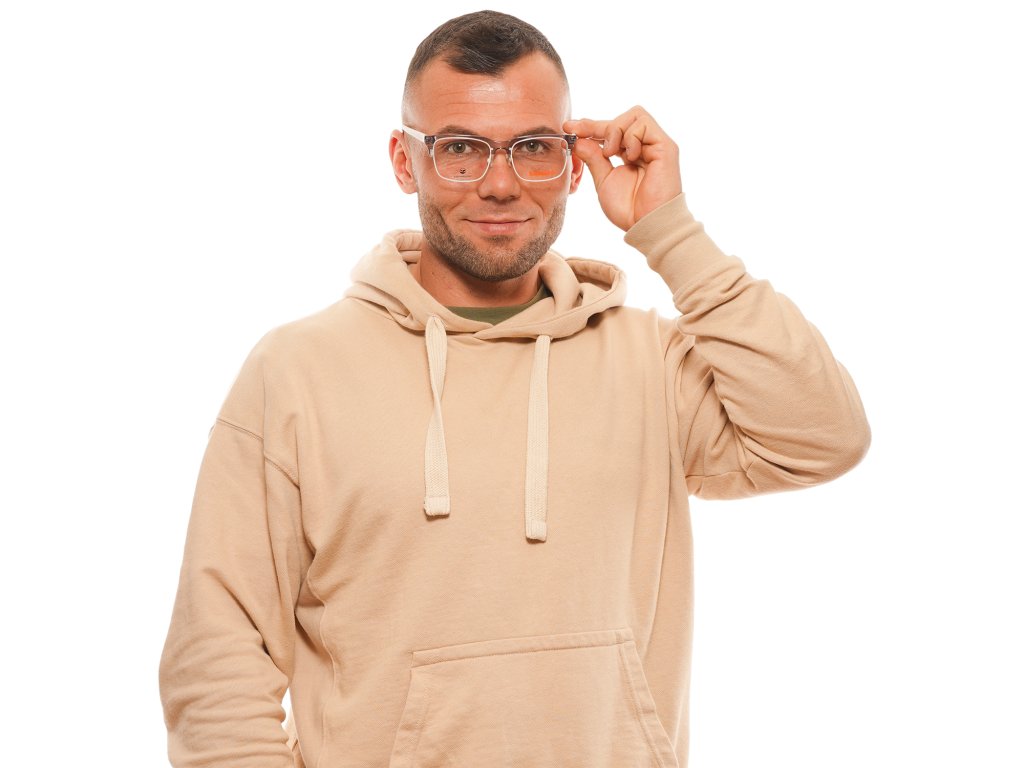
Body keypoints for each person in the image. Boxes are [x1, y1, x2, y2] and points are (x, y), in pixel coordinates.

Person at [158, 10, 870, 768]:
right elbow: (218, 663)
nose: (500, 185)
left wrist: (670, 231)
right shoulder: (297, 372)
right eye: (461, 149)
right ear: (405, 161)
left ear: (573, 162)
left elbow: (823, 439)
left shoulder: (652, 363)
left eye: (532, 148)